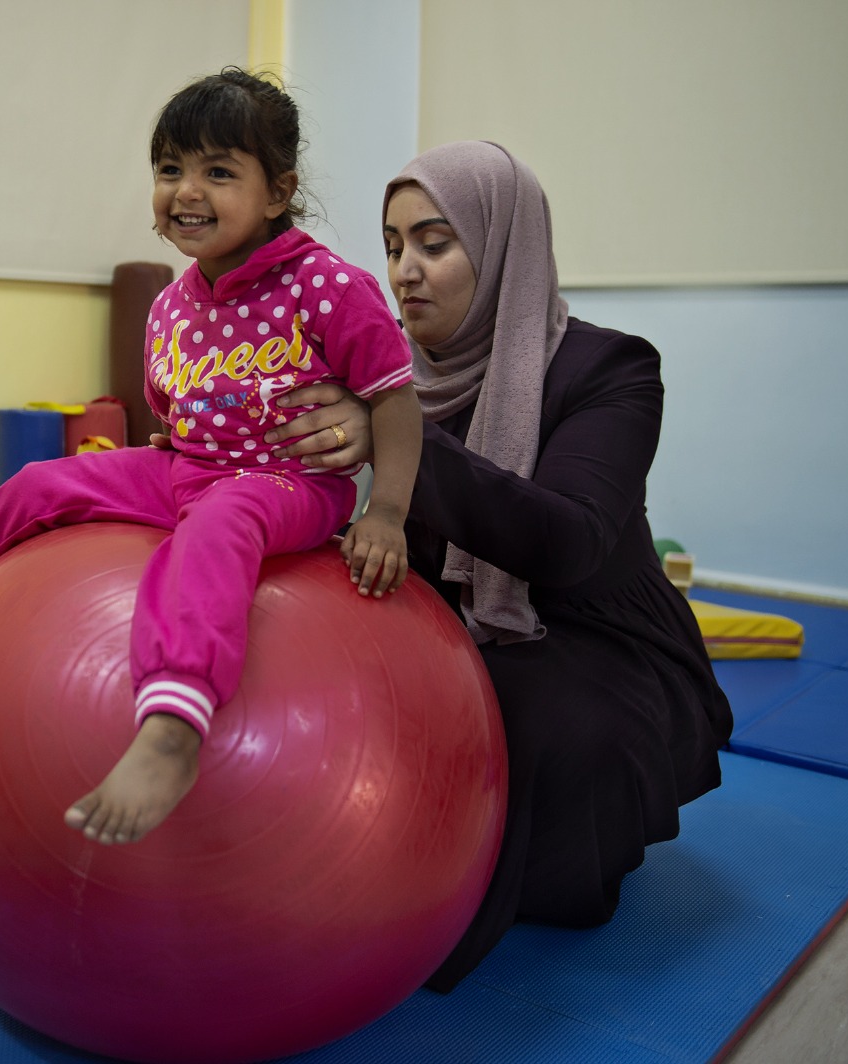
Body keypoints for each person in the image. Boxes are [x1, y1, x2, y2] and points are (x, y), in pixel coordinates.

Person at [0, 69, 423, 847]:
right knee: (41, 482)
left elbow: (394, 401)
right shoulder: (171, 304)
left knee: (220, 521)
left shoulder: (329, 287)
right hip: (188, 468)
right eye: (170, 168)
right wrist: (168, 448)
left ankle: (174, 725)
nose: (186, 191)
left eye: (219, 172)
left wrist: (387, 512)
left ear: (277, 193)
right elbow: (171, 414)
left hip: (291, 484)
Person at [266, 141, 734, 990]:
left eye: (435, 242)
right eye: (393, 245)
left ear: (504, 245)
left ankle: (452, 902)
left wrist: (397, 432)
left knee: (534, 733)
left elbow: (569, 540)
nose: (405, 271)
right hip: (439, 622)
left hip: (590, 635)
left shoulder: (612, 368)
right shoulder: (379, 371)